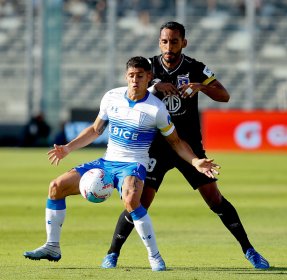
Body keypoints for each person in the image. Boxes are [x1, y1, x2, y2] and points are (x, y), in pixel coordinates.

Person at [23, 56, 219, 272]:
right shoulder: (111, 97)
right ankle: (52, 246)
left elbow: (176, 142)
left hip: (133, 165)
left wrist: (196, 161)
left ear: (149, 78)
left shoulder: (156, 109)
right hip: (107, 162)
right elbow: (95, 130)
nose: (135, 80)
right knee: (56, 187)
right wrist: (68, 148)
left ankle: (155, 257)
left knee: (131, 200)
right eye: (132, 76)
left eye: (140, 76)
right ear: (126, 76)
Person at [101, 22, 269, 270]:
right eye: (165, 41)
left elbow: (224, 95)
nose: (169, 47)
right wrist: (154, 87)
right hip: (155, 147)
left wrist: (200, 86)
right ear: (160, 42)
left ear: (184, 43)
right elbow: (131, 92)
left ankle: (250, 251)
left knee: (214, 199)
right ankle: (112, 254)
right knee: (137, 202)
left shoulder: (195, 68)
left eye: (174, 41)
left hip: (188, 147)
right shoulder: (147, 67)